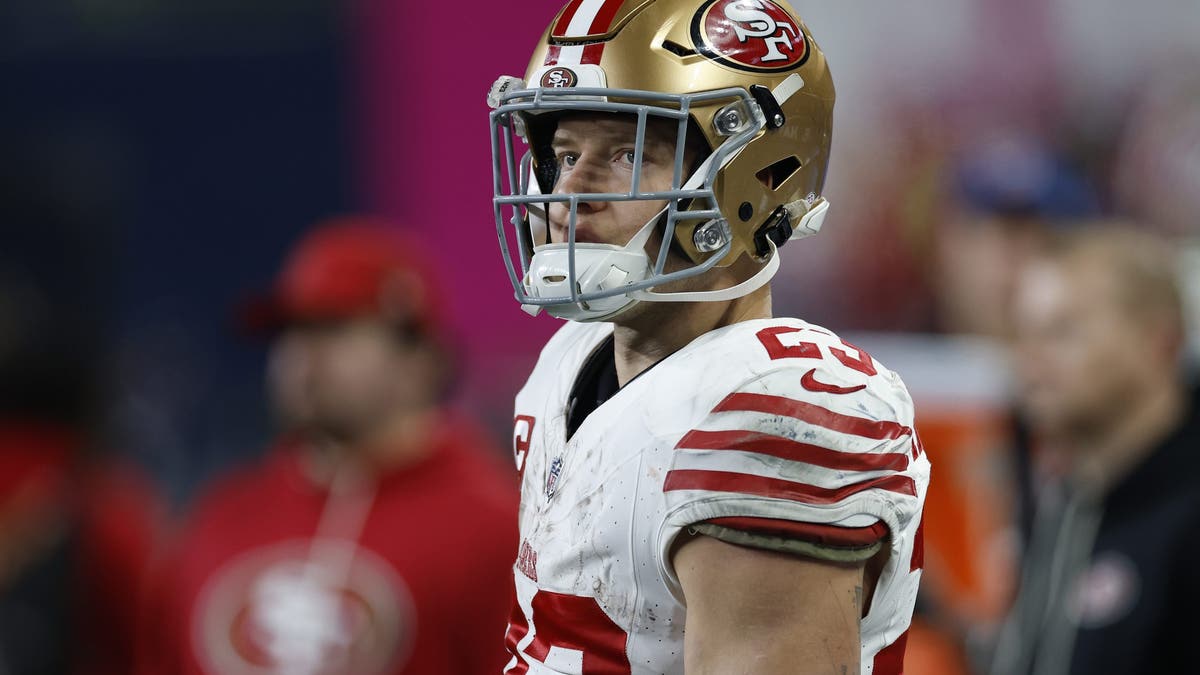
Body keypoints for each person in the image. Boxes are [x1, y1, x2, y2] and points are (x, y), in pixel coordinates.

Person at [486, 1, 929, 672]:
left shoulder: (772, 405)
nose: (568, 191)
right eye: (564, 153)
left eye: (628, 152)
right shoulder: (566, 362)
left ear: (758, 176)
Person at [137, 217, 518, 674]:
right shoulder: (218, 516)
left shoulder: (497, 526)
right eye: (289, 330)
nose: (300, 355)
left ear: (422, 359)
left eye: (332, 329)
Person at [990, 226, 1200, 675]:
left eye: (1063, 332)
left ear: (1160, 340)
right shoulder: (1059, 502)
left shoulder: (1185, 517)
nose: (1029, 359)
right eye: (1022, 332)